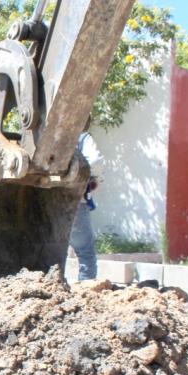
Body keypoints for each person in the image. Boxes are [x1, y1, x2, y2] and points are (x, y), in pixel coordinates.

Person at [70, 119, 104, 281]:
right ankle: (86, 289)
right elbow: (95, 162)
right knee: (85, 252)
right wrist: (90, 178)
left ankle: (53, 288)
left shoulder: (47, 140)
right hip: (75, 201)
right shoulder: (82, 138)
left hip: (48, 203)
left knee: (53, 249)